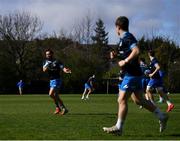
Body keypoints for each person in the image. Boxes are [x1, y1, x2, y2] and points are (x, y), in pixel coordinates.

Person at [103, 16, 168, 135]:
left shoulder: (128, 37)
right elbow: (127, 55)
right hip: (135, 74)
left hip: (132, 75)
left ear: (118, 27)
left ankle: (119, 127)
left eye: (115, 28)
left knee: (121, 99)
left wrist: (125, 61)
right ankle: (161, 116)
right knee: (139, 101)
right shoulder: (123, 40)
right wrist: (117, 57)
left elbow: (136, 51)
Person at [43, 49, 71, 115]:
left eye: (49, 54)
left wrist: (65, 70)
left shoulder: (57, 61)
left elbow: (62, 67)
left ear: (52, 54)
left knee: (51, 94)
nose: (47, 55)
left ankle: (62, 108)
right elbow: (44, 70)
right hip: (51, 80)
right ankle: (59, 108)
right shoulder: (45, 61)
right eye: (46, 54)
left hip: (57, 79)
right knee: (54, 95)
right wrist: (47, 65)